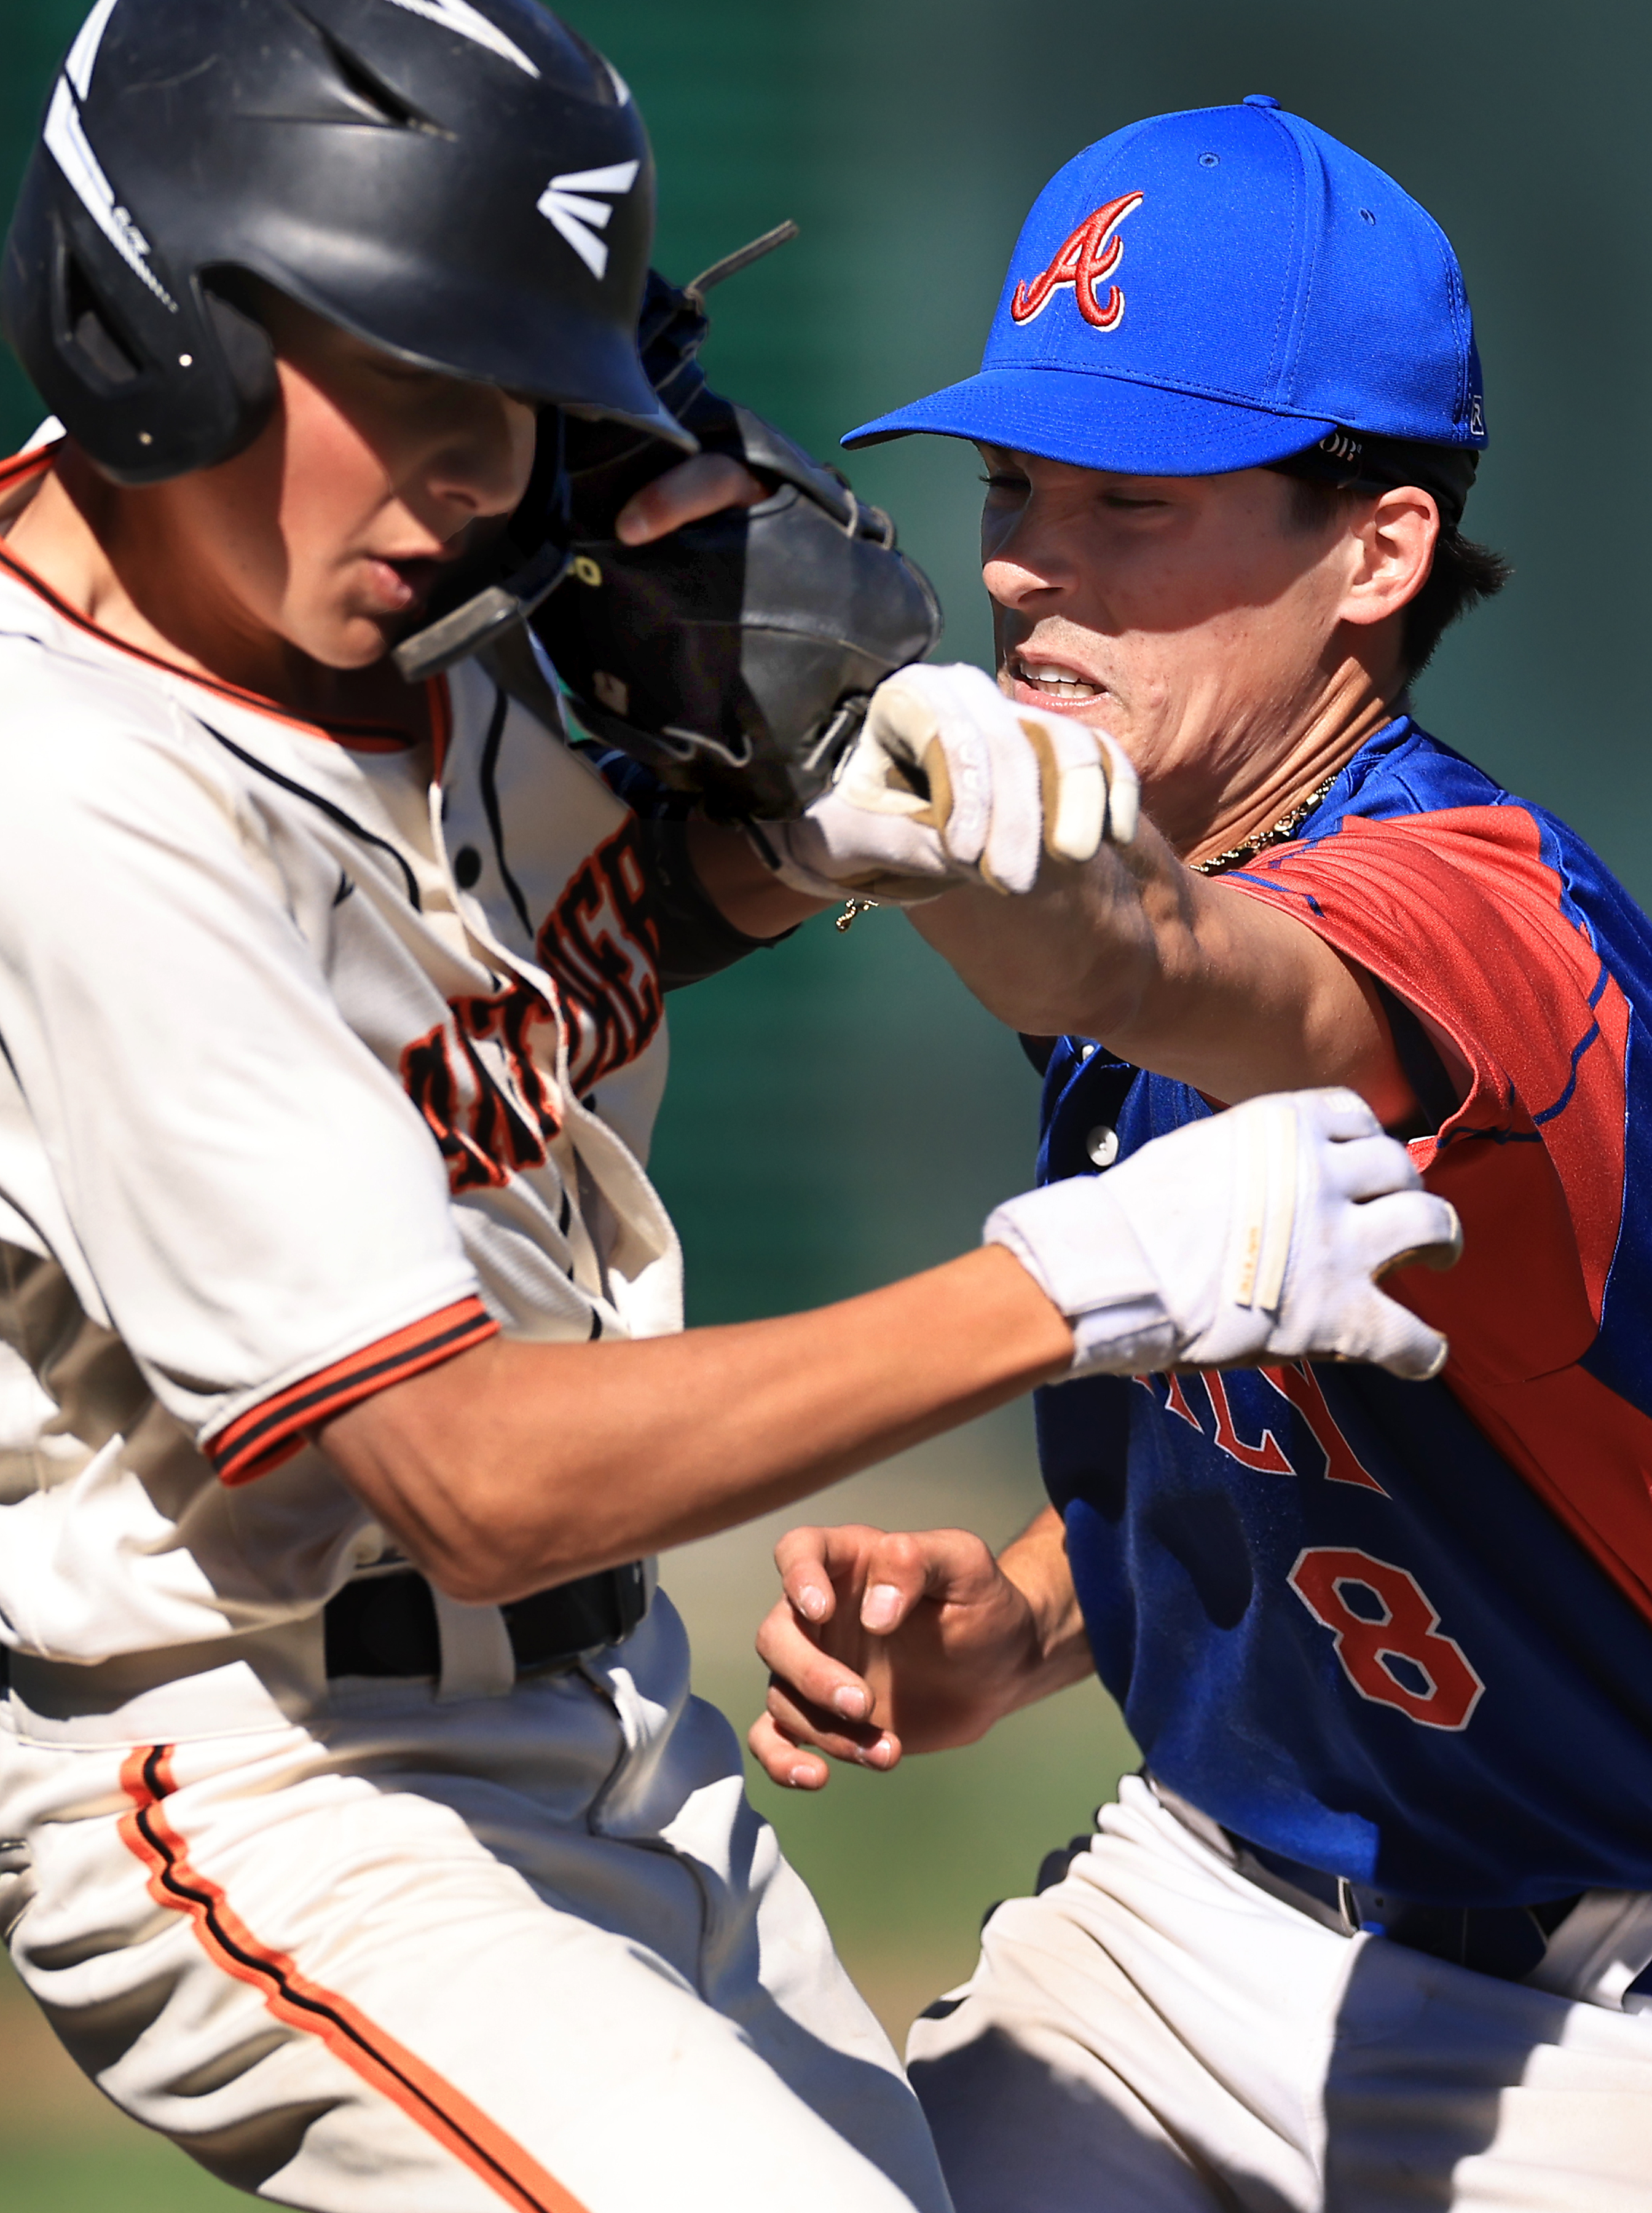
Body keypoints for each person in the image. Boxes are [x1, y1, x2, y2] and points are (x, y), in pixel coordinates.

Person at [0, 20, 1453, 2209]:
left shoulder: (363, 592)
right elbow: (466, 1481)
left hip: (600, 1735)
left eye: (523, 401)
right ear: (151, 322)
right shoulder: (62, 800)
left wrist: (813, 836)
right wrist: (1081, 1284)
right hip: (286, 1770)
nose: (477, 474)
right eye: (409, 381)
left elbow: (548, 971)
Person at [750, 93, 1652, 2212]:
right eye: (1011, 486)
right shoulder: (1184, 820)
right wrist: (1029, 1620)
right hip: (1178, 1934)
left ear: (1378, 549)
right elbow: (1311, 1431)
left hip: (1590, 2030)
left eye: (1127, 503)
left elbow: (1157, 961)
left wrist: (882, 797)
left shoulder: (1480, 927)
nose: (1014, 565)